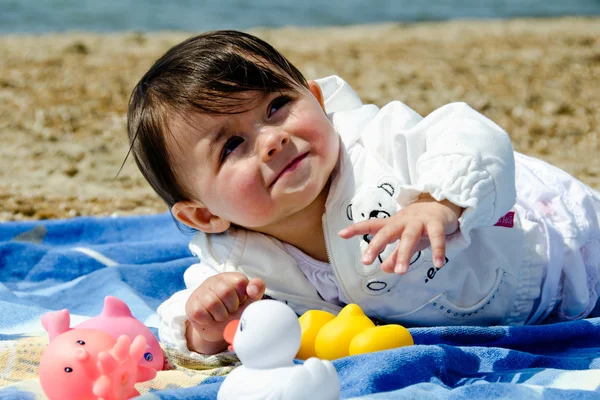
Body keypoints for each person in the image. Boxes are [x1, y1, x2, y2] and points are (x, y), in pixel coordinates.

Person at [126, 30, 600, 356]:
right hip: (500, 316)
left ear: (314, 97)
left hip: (560, 240)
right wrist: (205, 327)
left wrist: (439, 202)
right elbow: (189, 328)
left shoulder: (376, 142)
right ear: (204, 216)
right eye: (232, 145)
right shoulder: (233, 263)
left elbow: (469, 133)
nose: (271, 140)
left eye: (277, 106)